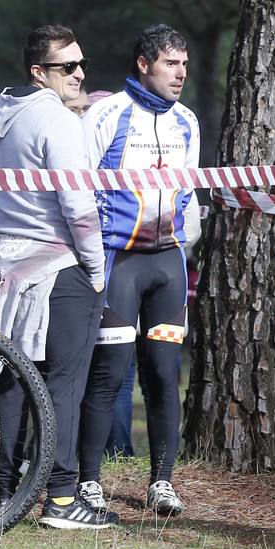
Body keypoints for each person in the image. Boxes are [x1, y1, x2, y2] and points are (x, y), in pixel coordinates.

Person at [0, 24, 111, 530]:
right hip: (57, 265)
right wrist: (96, 268)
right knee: (64, 383)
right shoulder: (56, 119)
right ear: (39, 72)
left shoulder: (4, 112)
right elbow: (77, 205)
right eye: (66, 66)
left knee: (12, 381)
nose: (79, 73)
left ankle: (5, 493)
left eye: (81, 63)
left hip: (8, 262)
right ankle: (59, 498)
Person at [76, 25, 201, 518]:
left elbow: (190, 191)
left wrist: (182, 240)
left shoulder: (187, 120)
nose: (181, 73)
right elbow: (80, 186)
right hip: (117, 259)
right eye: (171, 63)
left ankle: (162, 481)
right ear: (144, 64)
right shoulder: (106, 114)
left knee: (164, 374)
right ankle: (88, 480)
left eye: (185, 64)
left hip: (168, 263)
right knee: (108, 374)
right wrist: (89, 258)